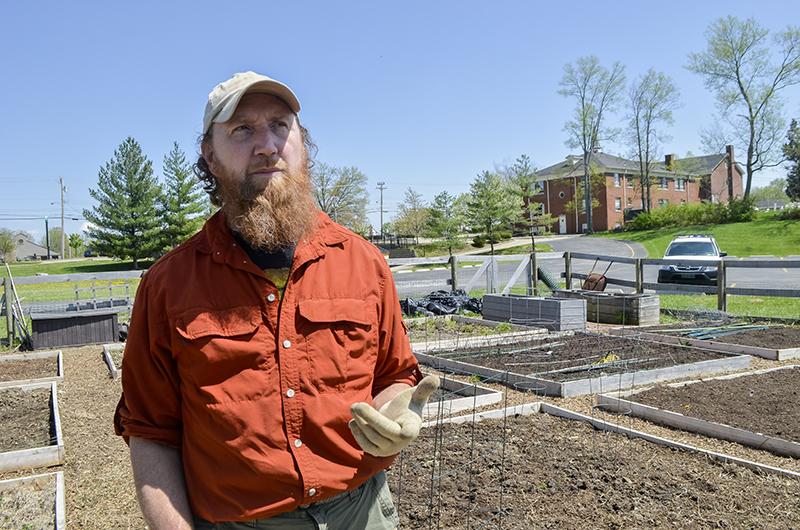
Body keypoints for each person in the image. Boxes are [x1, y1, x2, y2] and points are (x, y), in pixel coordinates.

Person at [114, 71, 439, 529]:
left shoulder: (362, 262)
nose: (267, 144)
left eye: (280, 125)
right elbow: (150, 431)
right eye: (242, 129)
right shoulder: (168, 285)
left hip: (362, 512)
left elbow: (394, 373)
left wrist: (396, 413)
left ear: (302, 144)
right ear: (209, 156)